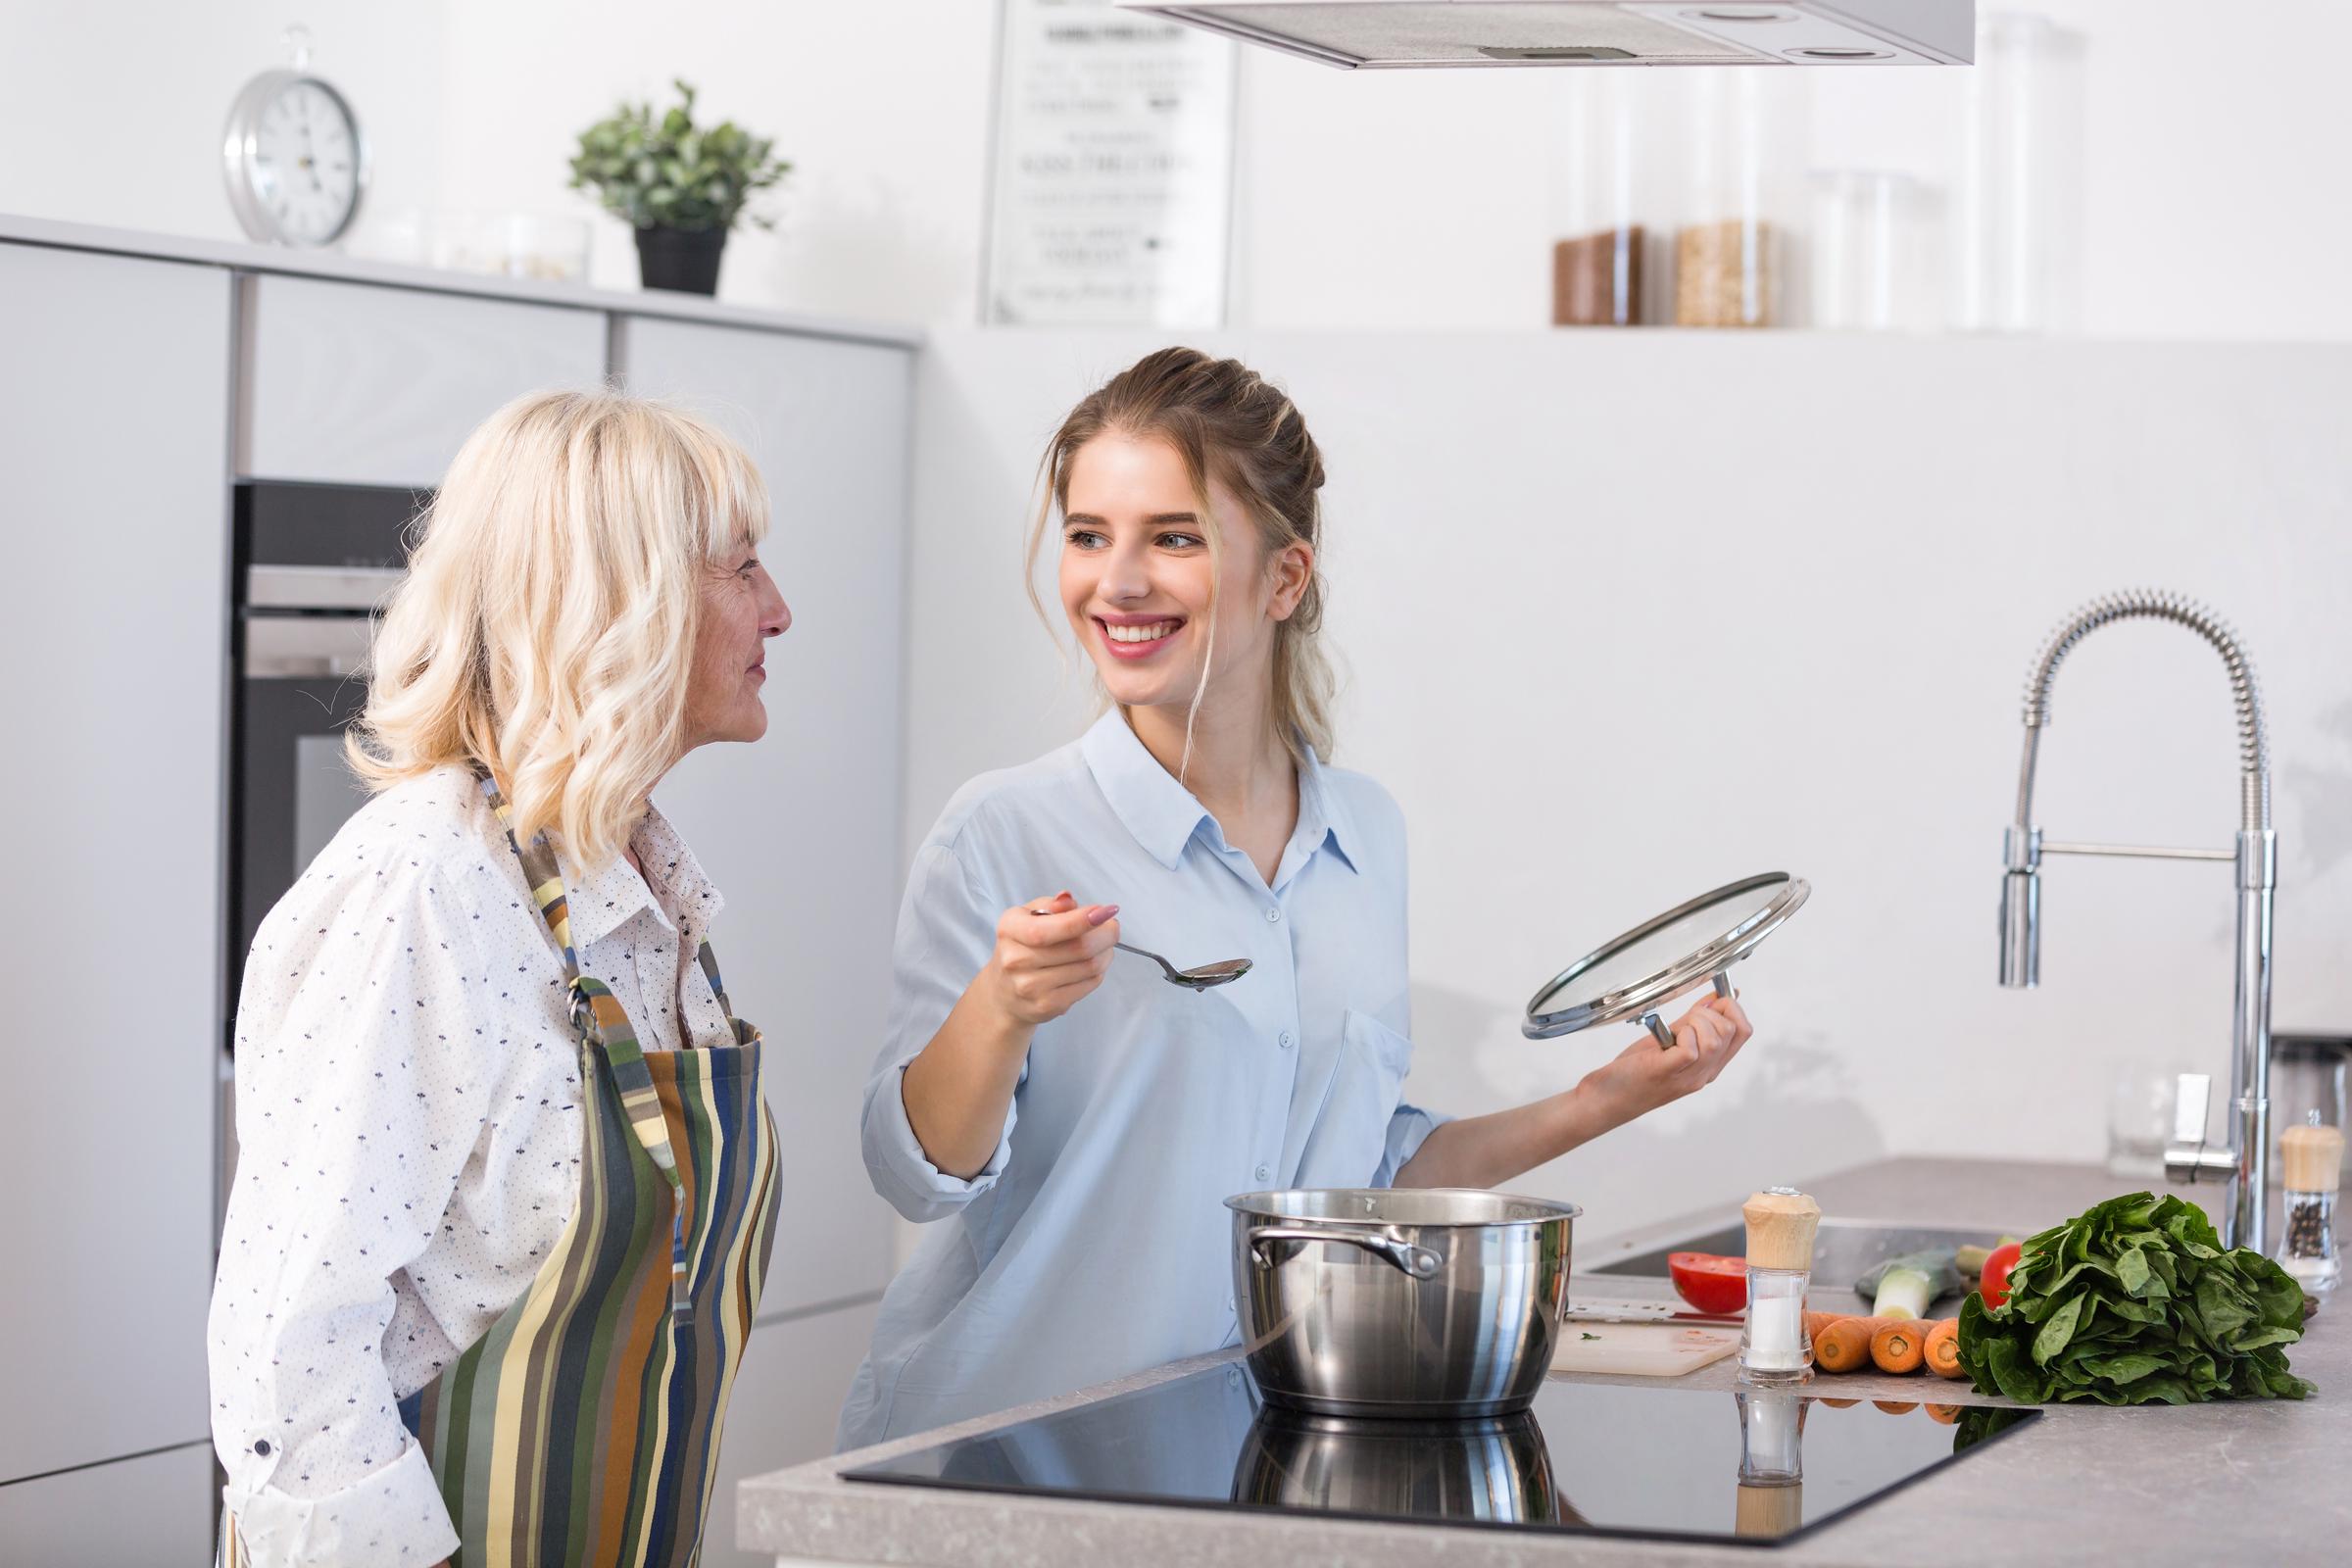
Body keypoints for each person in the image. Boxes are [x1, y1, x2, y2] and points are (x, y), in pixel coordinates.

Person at [838, 348, 1751, 1449]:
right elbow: (910, 1174)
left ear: (1284, 578)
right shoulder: (1006, 829)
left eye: (1171, 537)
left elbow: (1356, 1177)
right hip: (1011, 1462)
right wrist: (1000, 1006)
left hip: (1247, 1459)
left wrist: (1610, 1096)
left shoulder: (1366, 834)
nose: (1114, 582)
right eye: (1089, 535)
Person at [210, 390, 792, 1567]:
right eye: (742, 569)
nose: (781, 610)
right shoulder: (423, 889)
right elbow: (293, 1358)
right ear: (622, 607)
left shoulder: (640, 892)